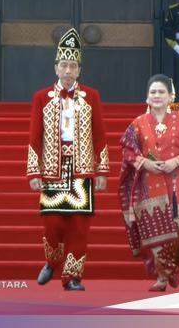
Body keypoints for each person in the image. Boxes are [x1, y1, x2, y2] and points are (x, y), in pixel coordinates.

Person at [26, 27, 110, 291]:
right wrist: (33, 172)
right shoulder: (41, 97)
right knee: (52, 225)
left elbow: (100, 133)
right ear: (56, 68)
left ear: (79, 70)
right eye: (64, 65)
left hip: (82, 170)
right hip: (52, 169)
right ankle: (52, 262)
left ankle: (72, 277)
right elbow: (34, 136)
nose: (68, 71)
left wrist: (102, 170)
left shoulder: (91, 96)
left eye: (73, 66)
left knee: (79, 228)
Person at [118, 74, 179, 292]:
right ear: (147, 97)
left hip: (174, 183)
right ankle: (163, 277)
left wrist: (176, 161)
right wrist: (144, 163)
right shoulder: (138, 124)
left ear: (171, 96)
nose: (156, 95)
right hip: (149, 184)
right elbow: (127, 150)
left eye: (161, 91)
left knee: (178, 229)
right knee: (156, 234)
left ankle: (173, 267)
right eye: (152, 92)